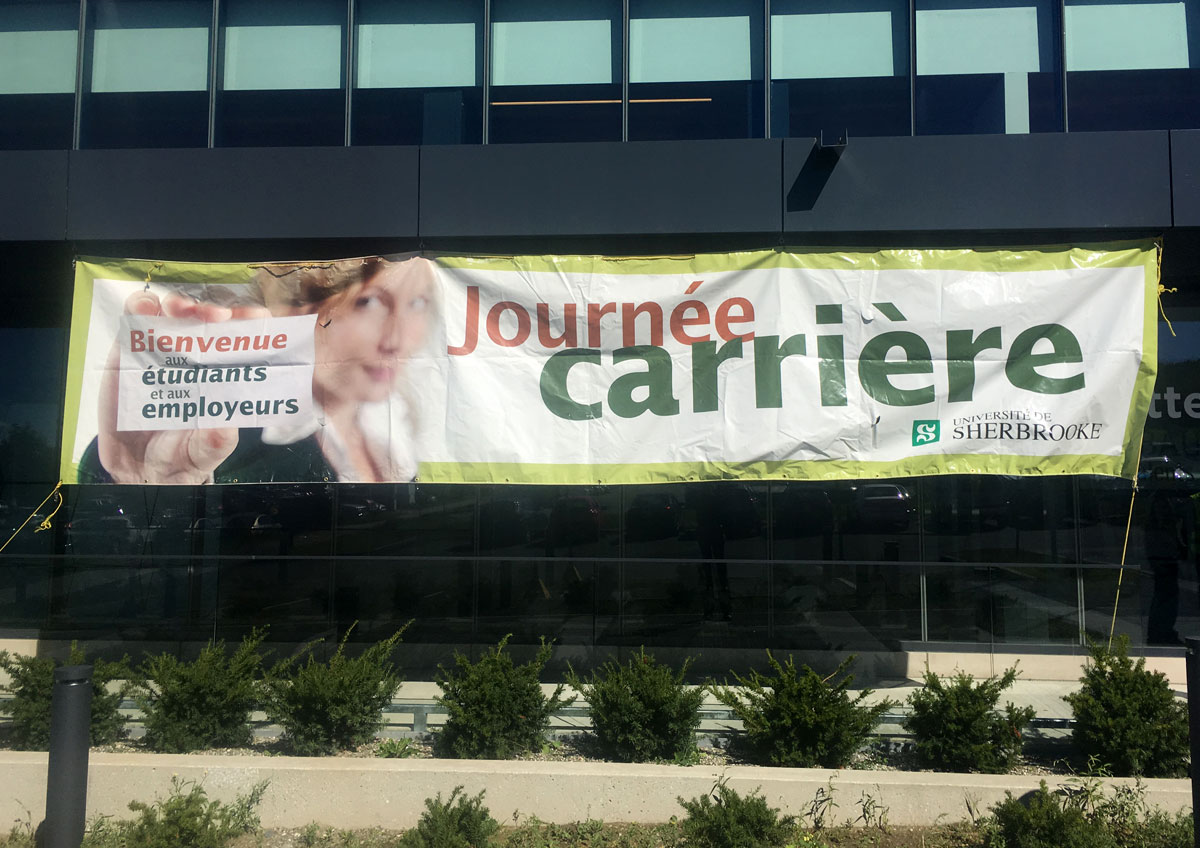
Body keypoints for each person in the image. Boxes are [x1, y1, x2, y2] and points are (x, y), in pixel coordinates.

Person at [79, 254, 435, 484]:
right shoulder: (222, 435)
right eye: (368, 302)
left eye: (417, 302)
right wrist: (130, 488)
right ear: (294, 312)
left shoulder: (403, 427)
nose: (398, 339)